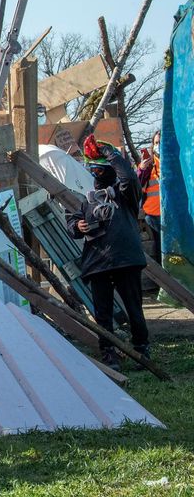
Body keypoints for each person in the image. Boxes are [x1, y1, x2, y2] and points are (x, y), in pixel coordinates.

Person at [65, 136, 150, 369]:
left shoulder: (126, 195)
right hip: (98, 263)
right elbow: (72, 222)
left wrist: (109, 153)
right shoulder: (88, 201)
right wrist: (78, 226)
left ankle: (141, 351)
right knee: (102, 314)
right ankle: (109, 354)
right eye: (92, 170)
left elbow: (129, 177)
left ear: (109, 170)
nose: (95, 174)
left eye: (98, 170)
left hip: (125, 259)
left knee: (134, 309)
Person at [137, 130, 162, 260]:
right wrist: (141, 168)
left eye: (161, 142)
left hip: (173, 214)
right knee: (161, 250)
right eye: (156, 142)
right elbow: (136, 184)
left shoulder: (177, 161)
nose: (159, 145)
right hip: (153, 216)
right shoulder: (149, 165)